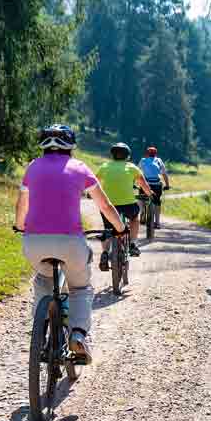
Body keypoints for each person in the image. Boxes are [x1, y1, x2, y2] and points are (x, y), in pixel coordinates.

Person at [14, 125, 126, 365]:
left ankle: (42, 331)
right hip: (70, 243)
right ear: (71, 146)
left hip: (34, 243)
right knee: (80, 288)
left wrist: (20, 226)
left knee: (43, 280)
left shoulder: (32, 167)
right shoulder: (80, 168)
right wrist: (120, 229)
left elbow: (22, 204)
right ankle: (77, 334)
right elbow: (104, 206)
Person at [96, 142, 154, 269]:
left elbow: (96, 184)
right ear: (127, 155)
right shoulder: (132, 167)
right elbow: (143, 185)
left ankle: (105, 252)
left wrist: (91, 195)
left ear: (112, 155)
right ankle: (133, 244)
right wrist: (150, 194)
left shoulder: (104, 167)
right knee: (134, 218)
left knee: (107, 228)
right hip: (128, 205)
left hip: (109, 205)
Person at [138, 146, 170, 229]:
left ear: (147, 154)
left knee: (141, 199)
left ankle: (142, 212)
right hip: (156, 185)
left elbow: (137, 172)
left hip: (146, 185)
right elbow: (164, 174)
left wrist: (133, 183)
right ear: (156, 154)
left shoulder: (143, 160)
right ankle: (158, 222)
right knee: (157, 202)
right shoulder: (159, 161)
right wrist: (167, 185)